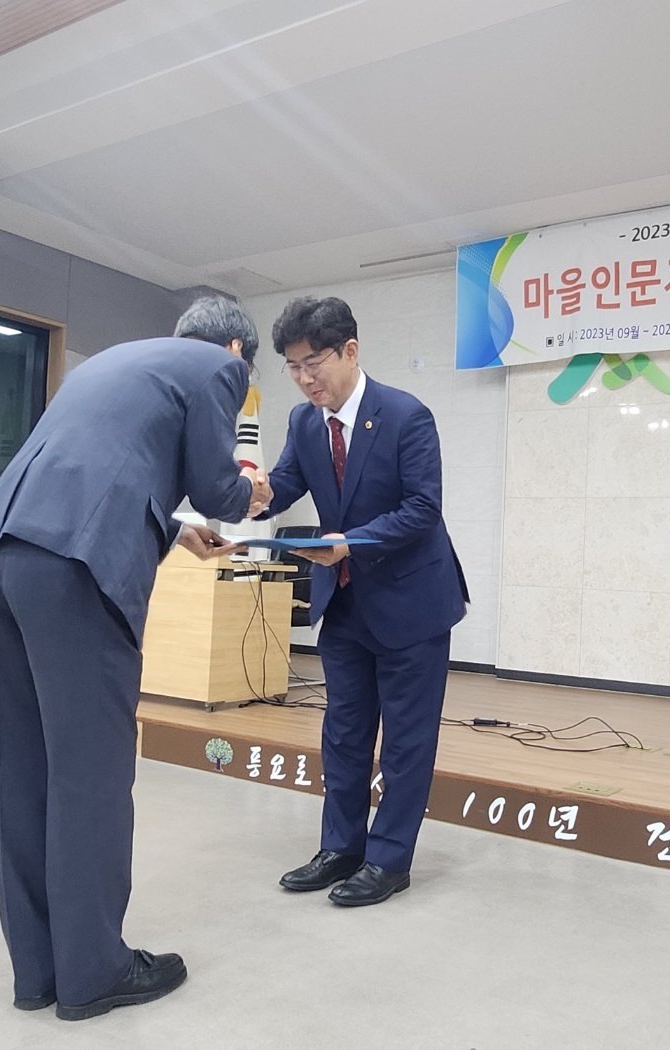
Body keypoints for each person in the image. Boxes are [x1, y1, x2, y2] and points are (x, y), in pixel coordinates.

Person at [0, 295, 272, 1020]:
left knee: (21, 769)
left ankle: (39, 970)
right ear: (236, 350)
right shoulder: (217, 369)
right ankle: (94, 969)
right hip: (72, 568)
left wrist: (175, 529)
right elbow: (216, 486)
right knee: (89, 773)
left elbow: (100, 467)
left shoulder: (115, 362)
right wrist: (250, 490)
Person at [261, 296, 468, 907]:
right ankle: (341, 848)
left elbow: (422, 509)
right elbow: (284, 484)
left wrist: (350, 543)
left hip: (412, 603)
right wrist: (246, 494)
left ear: (350, 351)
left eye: (313, 363)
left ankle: (389, 859)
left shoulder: (405, 415)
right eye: (292, 367)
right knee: (344, 734)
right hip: (346, 603)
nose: (304, 378)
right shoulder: (305, 423)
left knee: (406, 740)